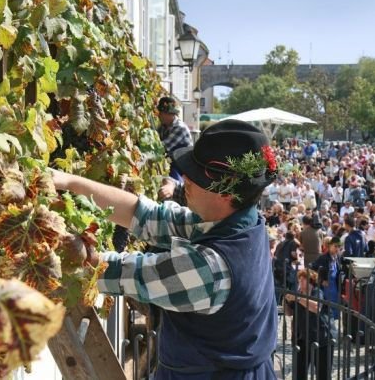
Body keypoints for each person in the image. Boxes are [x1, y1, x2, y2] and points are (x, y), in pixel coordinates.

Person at [51, 120, 278, 379]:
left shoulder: (210, 269)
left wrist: (49, 244)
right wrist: (69, 182)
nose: (185, 180)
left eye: (196, 175)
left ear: (225, 193)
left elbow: (117, 272)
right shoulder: (242, 222)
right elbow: (145, 215)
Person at [285, 269, 333, 380]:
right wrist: (286, 300)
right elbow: (288, 313)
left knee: (323, 374)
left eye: (303, 279)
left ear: (311, 281)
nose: (300, 282)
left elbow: (316, 307)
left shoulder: (317, 292)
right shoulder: (298, 294)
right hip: (301, 339)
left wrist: (298, 298)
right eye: (299, 280)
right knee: (299, 373)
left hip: (320, 339)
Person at [156, 96, 193, 182]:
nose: (159, 115)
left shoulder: (180, 128)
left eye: (161, 113)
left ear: (169, 114)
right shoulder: (163, 126)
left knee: (174, 185)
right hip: (173, 164)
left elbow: (161, 147)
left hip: (183, 169)